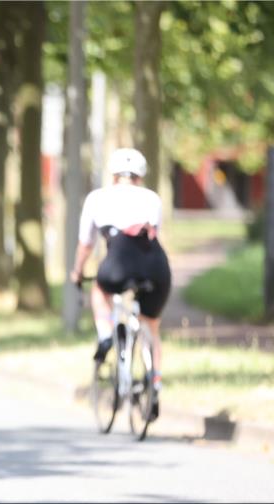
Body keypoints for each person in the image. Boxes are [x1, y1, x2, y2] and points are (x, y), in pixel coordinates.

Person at [69, 148, 172, 419]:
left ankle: (106, 335)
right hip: (156, 267)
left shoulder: (97, 198)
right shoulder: (152, 198)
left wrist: (77, 271)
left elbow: (86, 243)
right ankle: (154, 382)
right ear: (140, 176)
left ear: (113, 175)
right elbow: (154, 235)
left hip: (118, 262)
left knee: (100, 291)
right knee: (151, 327)